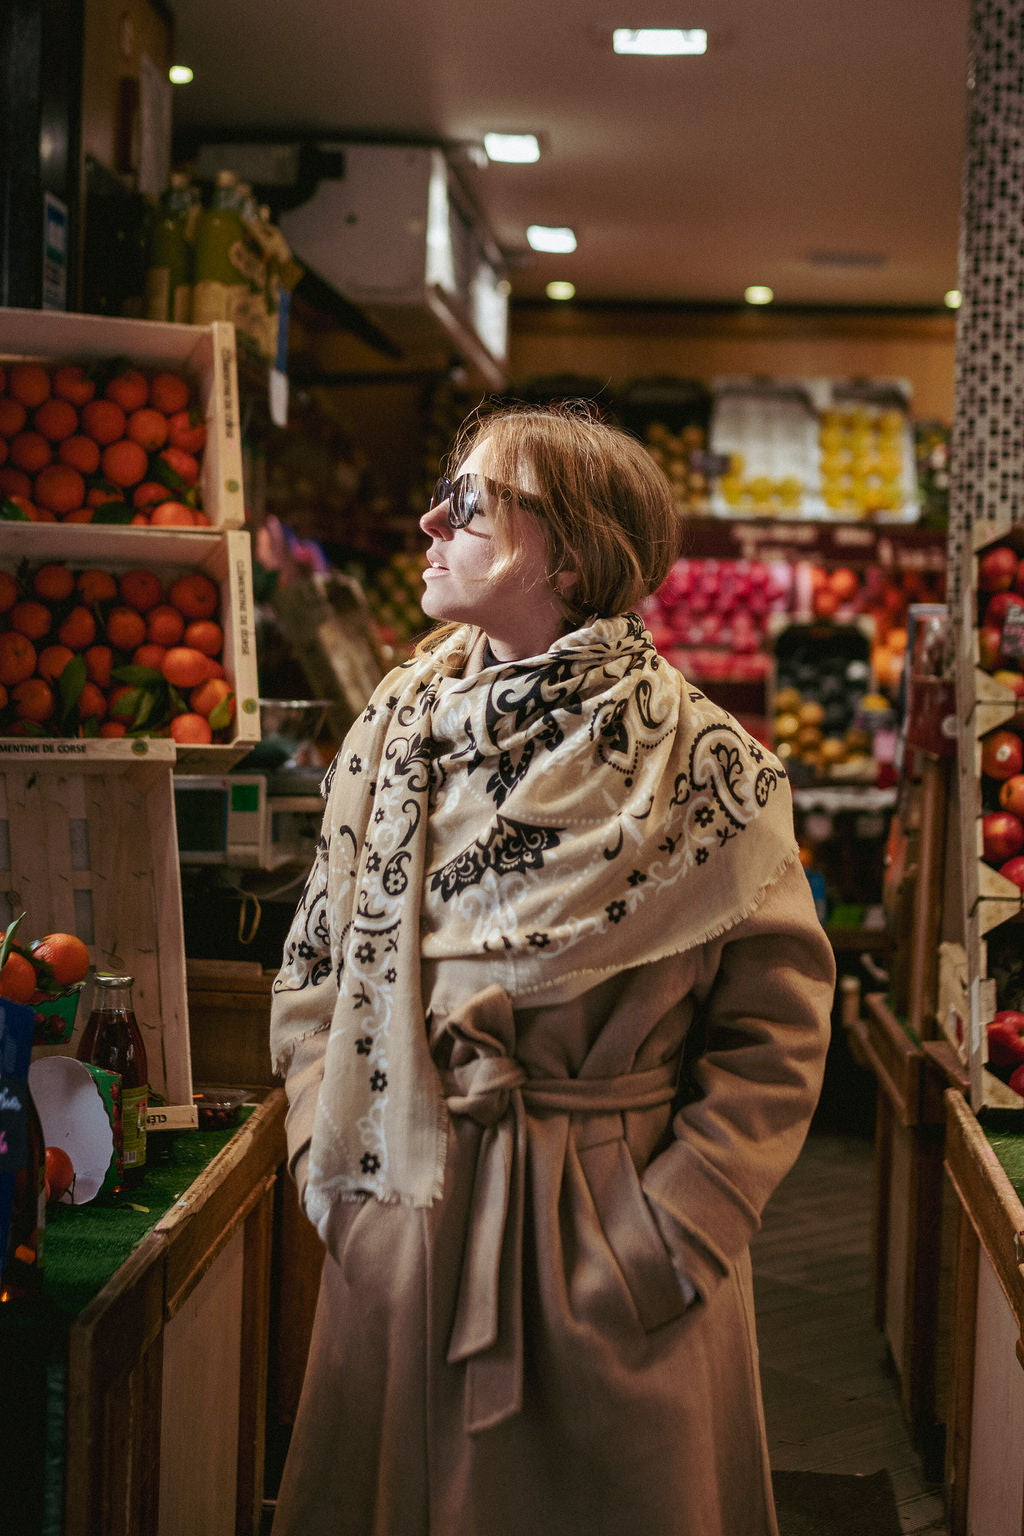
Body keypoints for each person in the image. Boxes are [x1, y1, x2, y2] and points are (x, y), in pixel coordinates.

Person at [269, 401, 835, 1536]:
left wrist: (665, 1236)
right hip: (403, 1217)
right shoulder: (396, 731)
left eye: (472, 501)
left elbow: (773, 1039)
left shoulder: (707, 765)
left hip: (610, 1244)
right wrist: (335, 1184)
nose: (432, 519)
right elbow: (319, 966)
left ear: (568, 550)